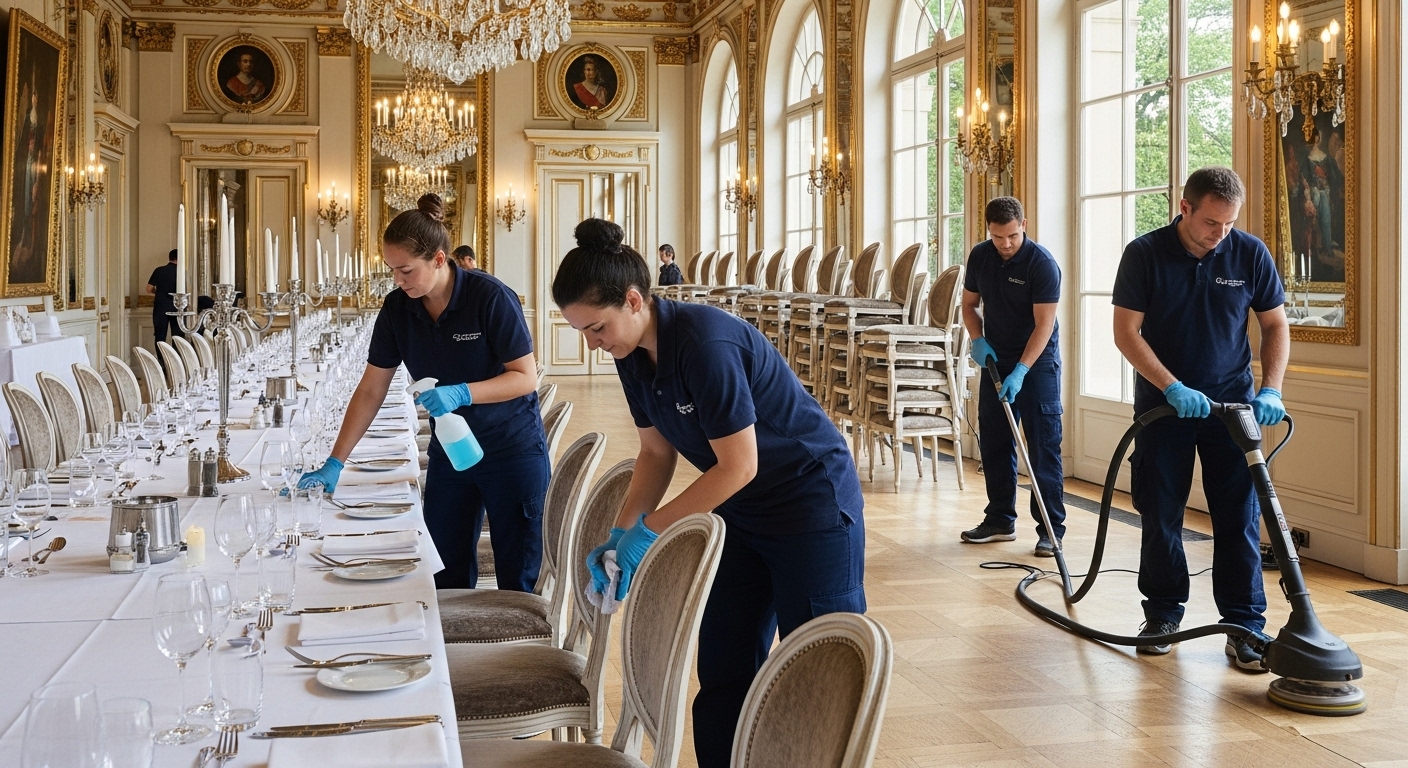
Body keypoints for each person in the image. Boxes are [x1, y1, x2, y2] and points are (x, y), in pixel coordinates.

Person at [554, 219, 865, 768]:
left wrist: (652, 531)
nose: (593, 344)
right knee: (724, 666)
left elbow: (739, 465)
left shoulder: (704, 343)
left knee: (817, 669)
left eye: (596, 327)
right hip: (743, 511)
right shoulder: (630, 356)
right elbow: (655, 453)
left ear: (633, 300)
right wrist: (622, 531)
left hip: (809, 503)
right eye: (582, 332)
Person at [299, 193, 548, 591]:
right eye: (391, 271)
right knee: (444, 574)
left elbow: (525, 377)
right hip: (452, 452)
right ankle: (449, 652)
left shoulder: (489, 297)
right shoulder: (398, 309)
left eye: (406, 270)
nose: (397, 281)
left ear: (438, 259)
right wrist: (336, 461)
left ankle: (520, 652)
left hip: (511, 450)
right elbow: (370, 389)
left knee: (517, 578)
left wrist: (461, 393)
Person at [1111, 166, 1288, 670]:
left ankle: (1244, 625)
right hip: (1166, 407)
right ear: (1185, 208)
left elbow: (1274, 324)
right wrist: (1171, 385)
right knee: (1162, 510)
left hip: (1233, 406)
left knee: (1239, 515)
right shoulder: (1144, 254)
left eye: (1229, 224)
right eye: (1212, 222)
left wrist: (1271, 387)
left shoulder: (1248, 252)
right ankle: (1164, 614)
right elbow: (1126, 332)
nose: (1220, 234)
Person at [959, 196, 1066, 556]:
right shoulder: (980, 256)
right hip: (995, 358)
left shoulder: (1042, 264)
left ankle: (1051, 529)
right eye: (997, 237)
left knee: (1042, 444)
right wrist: (978, 339)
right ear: (988, 230)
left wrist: (1021, 370)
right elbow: (969, 305)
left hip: (1037, 364)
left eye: (1011, 236)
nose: (1005, 244)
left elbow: (1044, 325)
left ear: (1023, 224)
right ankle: (1000, 519)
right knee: (995, 440)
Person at [147, 249, 182, 344]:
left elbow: (149, 289)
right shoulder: (182, 272)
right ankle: (177, 358)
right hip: (177, 307)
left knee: (160, 336)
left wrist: (158, 292)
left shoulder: (159, 270)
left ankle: (161, 358)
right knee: (178, 336)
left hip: (160, 306)